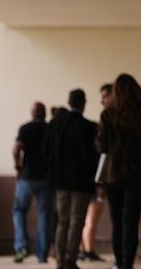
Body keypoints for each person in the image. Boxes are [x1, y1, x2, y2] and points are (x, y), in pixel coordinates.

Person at [96, 74, 141, 269]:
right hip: (139, 175)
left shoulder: (108, 115)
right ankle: (127, 265)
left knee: (117, 222)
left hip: (113, 176)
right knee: (131, 222)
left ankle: (119, 263)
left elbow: (102, 146)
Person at [43, 89, 99, 269]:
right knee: (76, 222)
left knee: (62, 221)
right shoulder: (87, 126)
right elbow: (89, 156)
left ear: (68, 101)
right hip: (80, 182)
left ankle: (60, 261)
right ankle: (70, 259)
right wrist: (95, 179)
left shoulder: (55, 123)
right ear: (84, 103)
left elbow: (45, 151)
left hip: (59, 182)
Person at [13, 101, 54, 263]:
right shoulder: (50, 129)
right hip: (46, 179)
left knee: (19, 211)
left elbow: (16, 149)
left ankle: (22, 247)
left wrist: (18, 168)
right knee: (45, 216)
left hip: (27, 178)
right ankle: (42, 254)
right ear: (44, 114)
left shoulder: (25, 128)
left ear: (32, 113)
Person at [79, 83, 112, 262]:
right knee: (91, 220)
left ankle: (83, 249)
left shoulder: (87, 147)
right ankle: (89, 251)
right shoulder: (98, 149)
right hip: (97, 184)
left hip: (86, 183)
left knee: (85, 220)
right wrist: (100, 184)